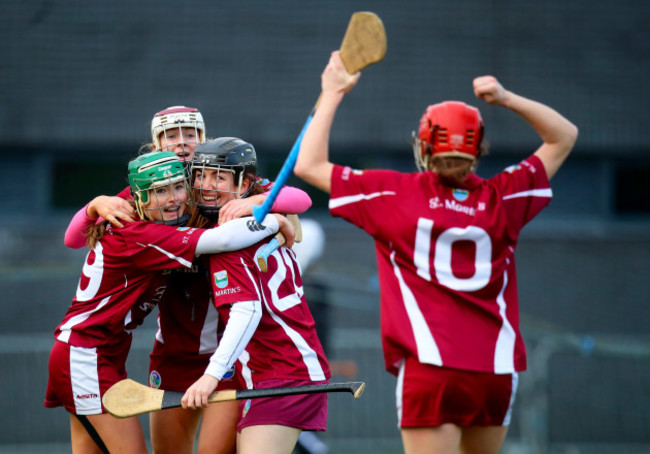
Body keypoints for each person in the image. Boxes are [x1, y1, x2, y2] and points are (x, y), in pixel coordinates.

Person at [294, 51, 578, 454]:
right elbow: (564, 135)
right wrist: (506, 98)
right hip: (495, 370)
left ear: (422, 145)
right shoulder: (502, 199)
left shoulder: (395, 195)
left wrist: (333, 92)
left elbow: (309, 164)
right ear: (478, 149)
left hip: (431, 368)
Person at [62, 107, 312, 454]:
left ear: (204, 138)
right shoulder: (148, 189)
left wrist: (256, 203)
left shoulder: (220, 182)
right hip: (170, 356)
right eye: (170, 136)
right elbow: (74, 238)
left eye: (190, 134)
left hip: (225, 356)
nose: (181, 144)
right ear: (155, 144)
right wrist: (95, 205)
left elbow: (300, 198)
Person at [181, 137, 331, 454]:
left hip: (283, 376)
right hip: (276, 375)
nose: (206, 186)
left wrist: (210, 377)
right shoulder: (261, 224)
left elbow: (246, 311)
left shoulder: (229, 240)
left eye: (218, 177)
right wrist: (271, 214)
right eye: (201, 175)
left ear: (245, 184)